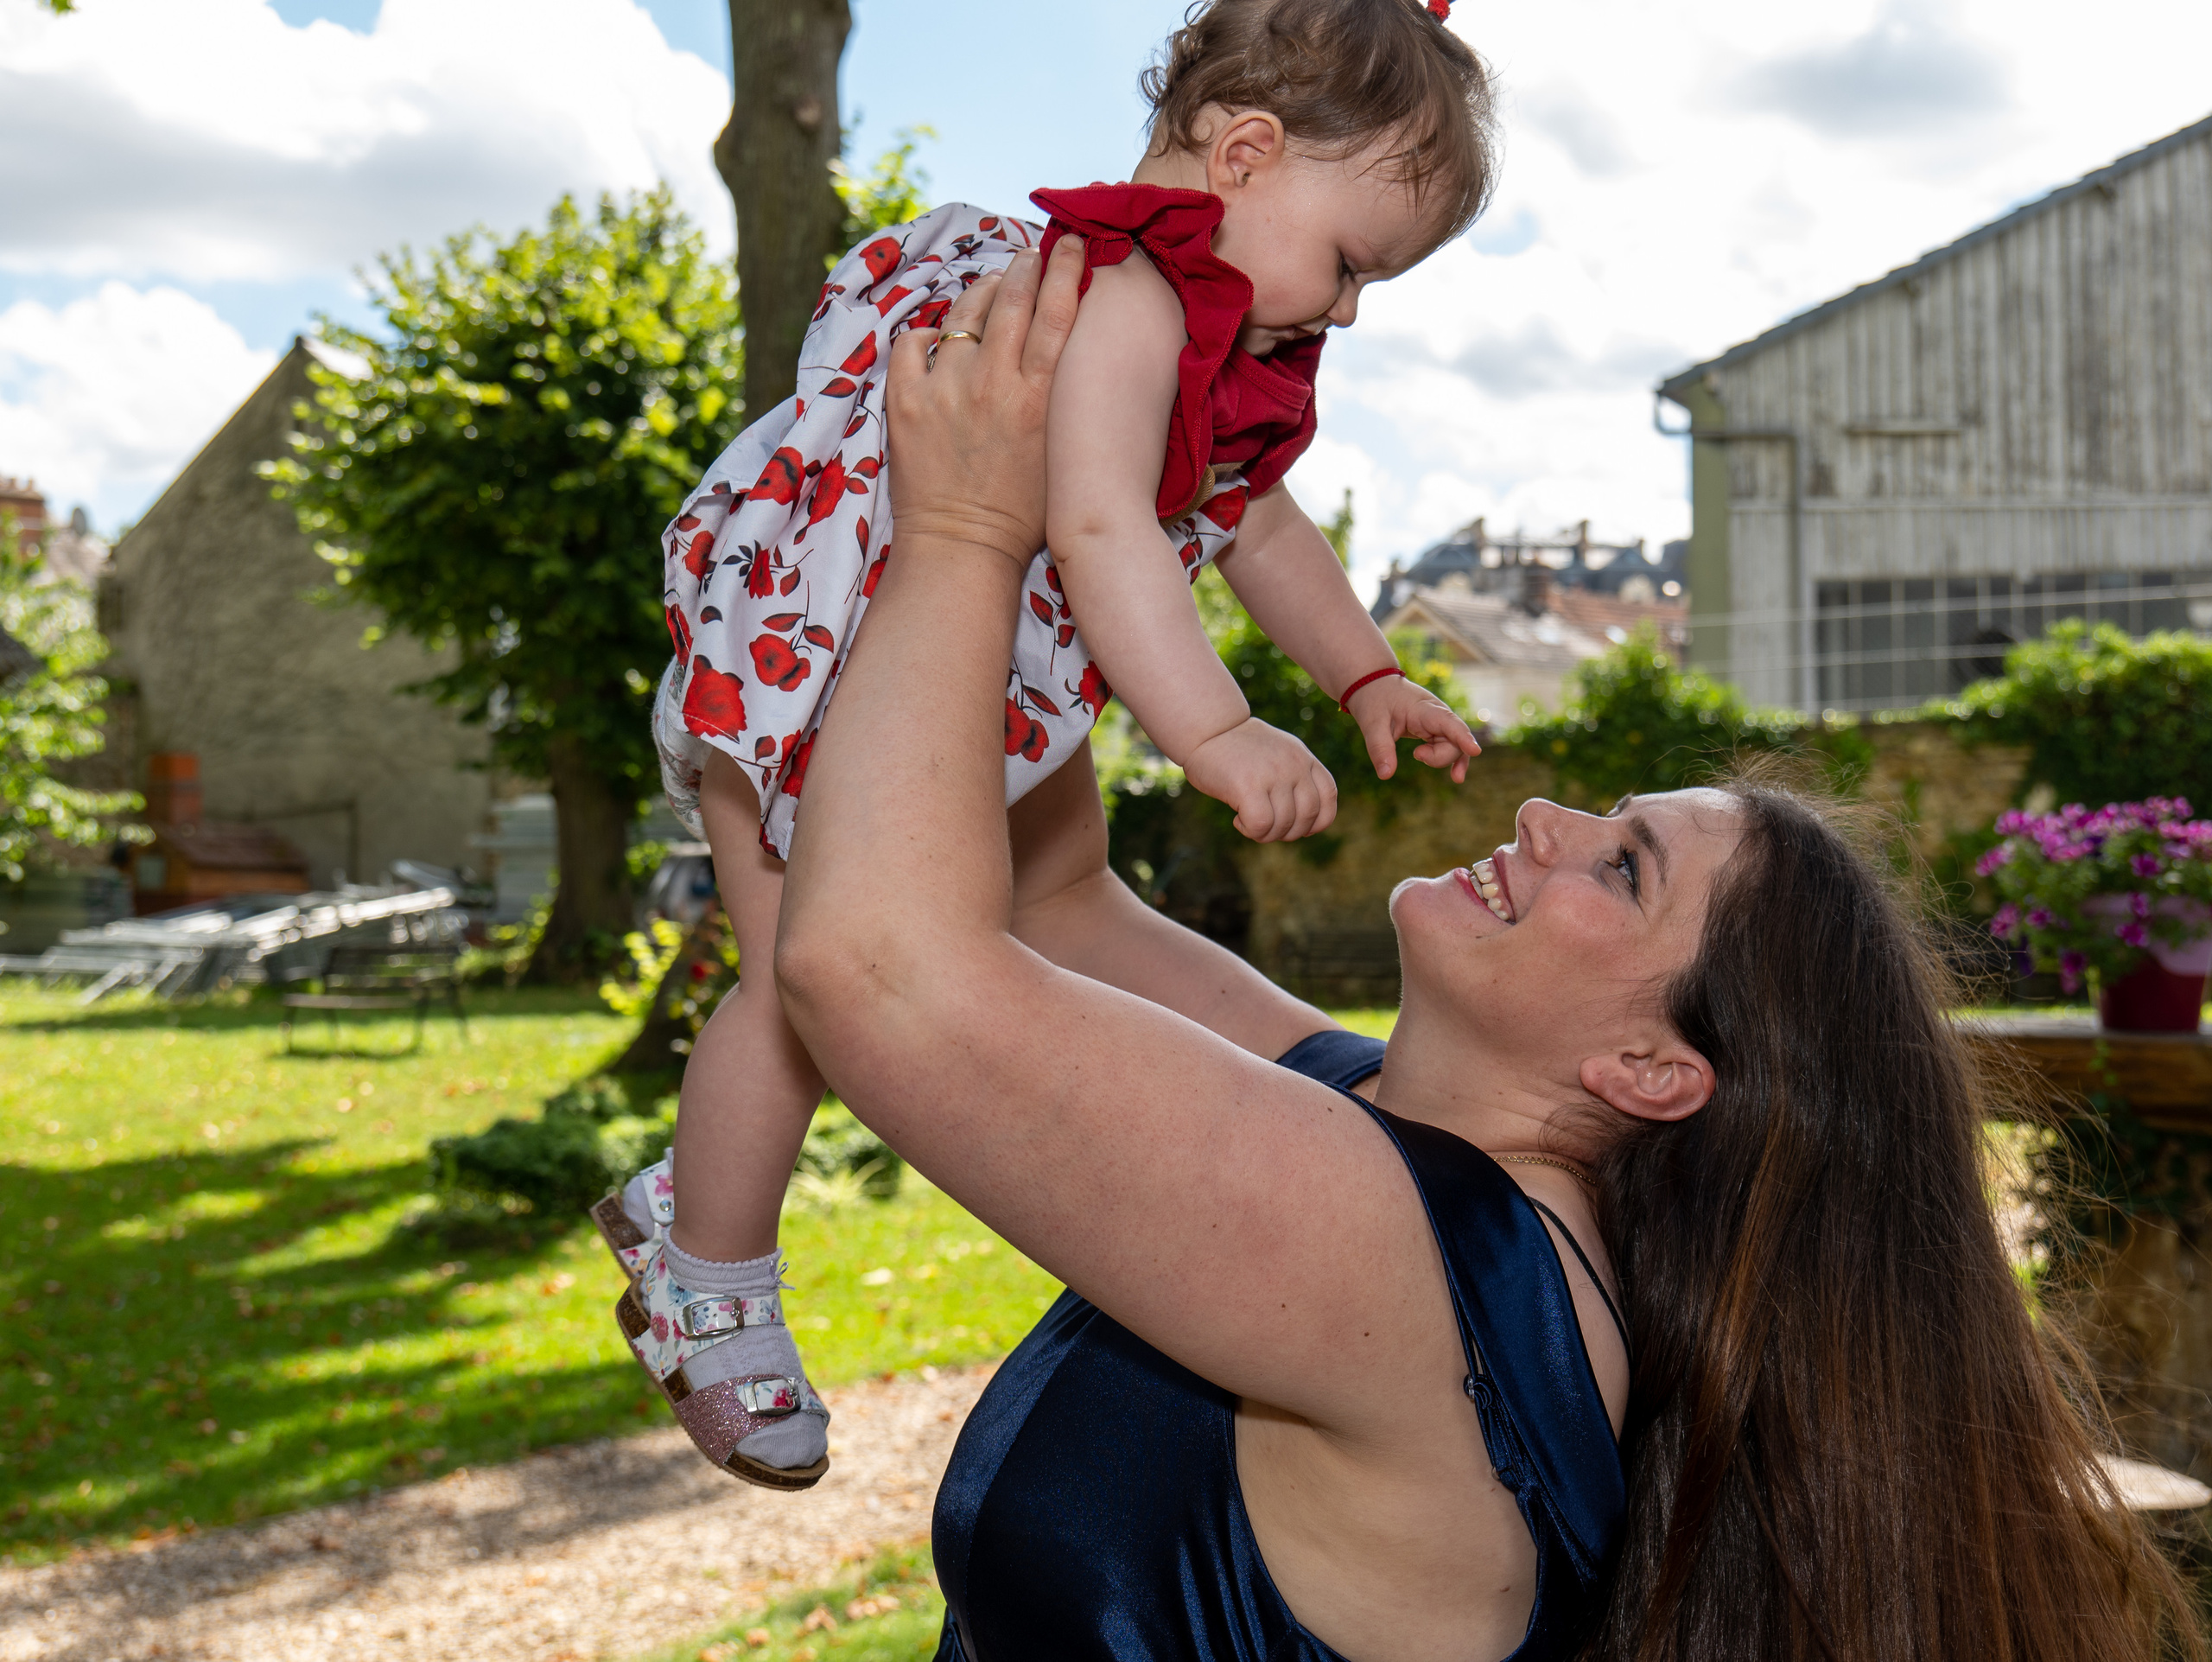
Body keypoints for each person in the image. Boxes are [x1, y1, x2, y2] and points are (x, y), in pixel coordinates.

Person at [771, 249, 2206, 1659]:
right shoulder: (1379, 1131)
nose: (1542, 814)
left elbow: (881, 972)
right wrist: (1068, 496)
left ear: (1650, 1067)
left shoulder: (1408, 1264)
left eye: (1623, 865)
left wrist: (962, 530)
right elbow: (1058, 899)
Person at [598, 0, 1490, 1488]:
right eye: (1349, 266)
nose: (1344, 315)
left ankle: (1329, 1097)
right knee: (803, 994)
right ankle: (708, 1261)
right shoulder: (1125, 292)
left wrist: (1364, 674)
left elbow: (1255, 518)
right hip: (825, 662)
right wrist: (1211, 726)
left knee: (1058, 911)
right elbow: (1092, 525)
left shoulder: (1193, 314)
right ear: (1250, 153)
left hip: (961, 654)